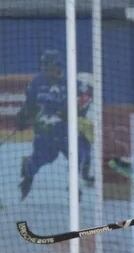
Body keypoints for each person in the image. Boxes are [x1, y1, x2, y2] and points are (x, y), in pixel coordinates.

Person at [16, 50, 91, 200]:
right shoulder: (36, 82)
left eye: (48, 66)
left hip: (66, 130)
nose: (45, 69)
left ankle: (76, 186)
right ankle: (28, 174)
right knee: (44, 157)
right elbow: (29, 105)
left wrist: (75, 110)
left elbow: (87, 97)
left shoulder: (72, 81)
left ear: (58, 65)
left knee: (81, 151)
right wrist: (23, 117)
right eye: (43, 66)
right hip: (45, 130)